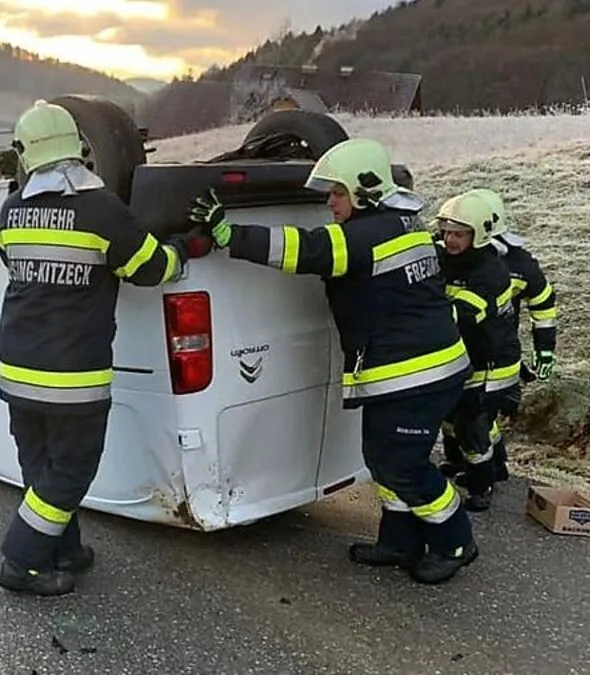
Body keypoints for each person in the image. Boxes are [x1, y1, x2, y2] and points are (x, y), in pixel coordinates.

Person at [190, 138, 478, 584]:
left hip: (417, 376)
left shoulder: (365, 236)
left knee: (404, 465)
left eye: (338, 193)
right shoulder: (402, 221)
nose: (331, 202)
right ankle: (399, 542)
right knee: (382, 459)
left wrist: (231, 235)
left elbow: (304, 250)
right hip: (416, 371)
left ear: (364, 191)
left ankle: (455, 541)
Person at [0, 100, 211, 596]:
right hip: (73, 376)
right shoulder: (101, 211)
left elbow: (11, 258)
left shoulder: (13, 210)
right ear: (77, 150)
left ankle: (62, 550)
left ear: (26, 154)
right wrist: (187, 247)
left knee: (41, 466)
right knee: (70, 472)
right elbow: (151, 270)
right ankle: (20, 561)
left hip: (18, 368)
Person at [432, 191, 521, 512]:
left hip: (490, 363)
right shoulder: (443, 254)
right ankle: (498, 467)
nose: (450, 240)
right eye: (447, 232)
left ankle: (482, 484)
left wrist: (416, 312)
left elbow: (462, 316)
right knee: (459, 419)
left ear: (478, 235)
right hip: (466, 357)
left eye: (459, 234)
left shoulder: (490, 273)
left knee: (471, 424)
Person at [467, 188, 558, 484]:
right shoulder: (456, 257)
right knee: (460, 420)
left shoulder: (519, 265)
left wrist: (545, 351)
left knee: (477, 419)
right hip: (463, 352)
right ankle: (490, 466)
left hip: (496, 356)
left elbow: (543, 307)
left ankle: (488, 476)